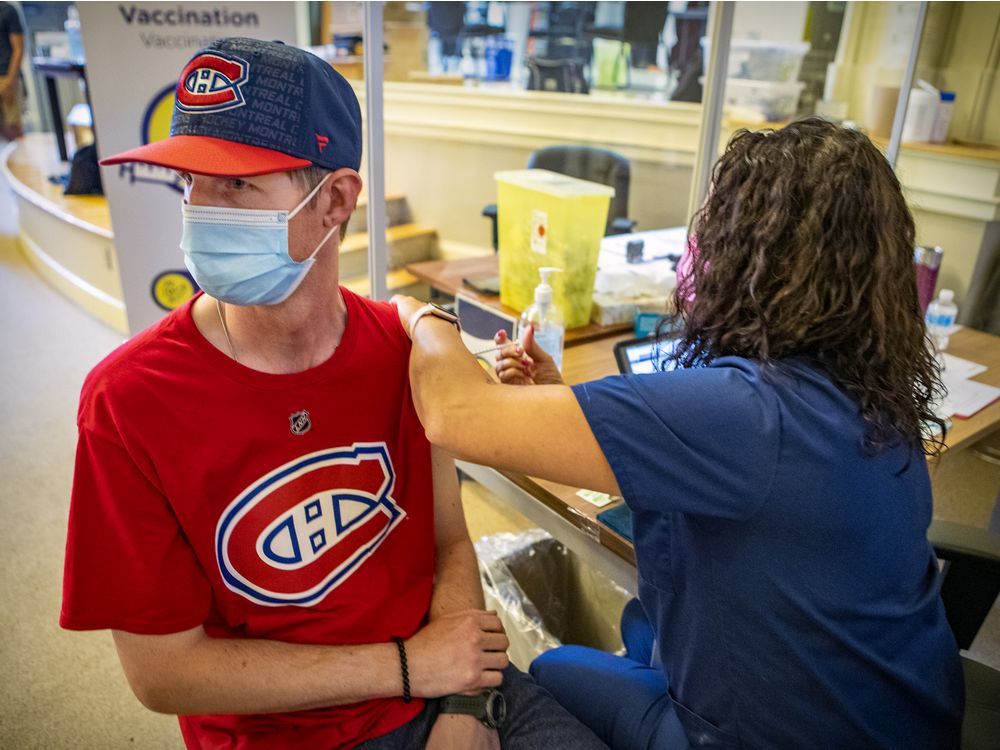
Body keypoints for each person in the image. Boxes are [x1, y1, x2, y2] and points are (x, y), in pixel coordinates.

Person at [60, 38, 607, 750]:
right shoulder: (129, 401)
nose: (198, 210)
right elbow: (162, 673)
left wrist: (465, 709)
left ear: (335, 201)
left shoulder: (405, 358)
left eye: (236, 185)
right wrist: (409, 669)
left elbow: (449, 542)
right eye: (190, 182)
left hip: (446, 689)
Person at [393, 119, 964, 748]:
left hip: (782, 734)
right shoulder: (865, 386)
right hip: (908, 709)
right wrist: (561, 406)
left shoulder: (744, 412)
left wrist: (423, 313)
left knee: (555, 667)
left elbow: (456, 416)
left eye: (711, 224)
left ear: (750, 257)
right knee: (644, 628)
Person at [0, 1, 23, 140]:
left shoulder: (7, 10)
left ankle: (21, 160)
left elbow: (19, 48)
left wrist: (10, 79)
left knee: (12, 128)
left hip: (6, 75)